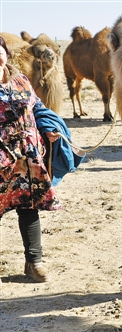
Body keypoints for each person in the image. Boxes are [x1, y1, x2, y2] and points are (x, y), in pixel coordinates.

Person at [0, 36, 61, 283]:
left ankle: (34, 262)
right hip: (1, 157)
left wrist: (48, 127)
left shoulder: (21, 80)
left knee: (29, 207)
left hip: (26, 157)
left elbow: (37, 107)